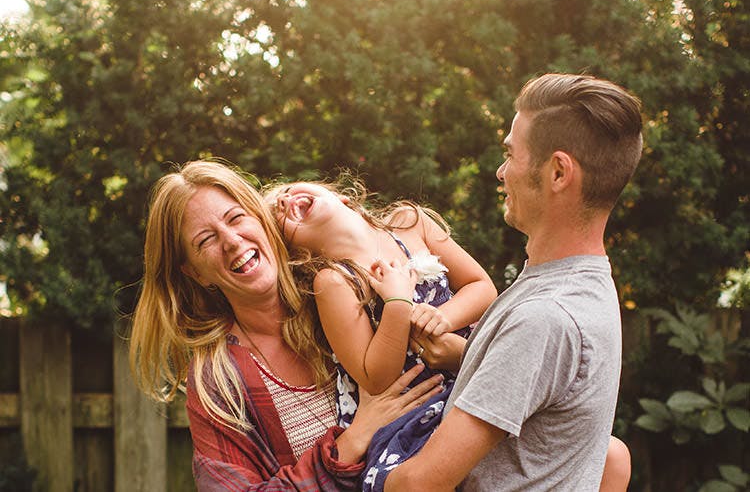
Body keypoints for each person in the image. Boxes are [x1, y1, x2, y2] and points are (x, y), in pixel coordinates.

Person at [384, 73, 643, 491]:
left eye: (511, 154)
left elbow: (415, 486)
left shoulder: (546, 317)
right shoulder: (583, 286)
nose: (501, 172)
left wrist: (356, 442)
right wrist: (467, 358)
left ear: (558, 172)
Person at [128, 160, 445, 490]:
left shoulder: (344, 288)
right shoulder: (219, 380)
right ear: (195, 273)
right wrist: (352, 442)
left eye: (236, 218)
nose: (232, 241)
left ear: (260, 218)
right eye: (206, 240)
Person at [265, 179, 498, 490]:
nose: (284, 199)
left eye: (287, 190)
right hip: (410, 416)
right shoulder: (333, 281)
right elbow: (375, 378)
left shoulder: (411, 223)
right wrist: (398, 304)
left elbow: (481, 286)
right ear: (297, 254)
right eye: (277, 212)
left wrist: (440, 318)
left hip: (470, 381)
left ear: (342, 198)